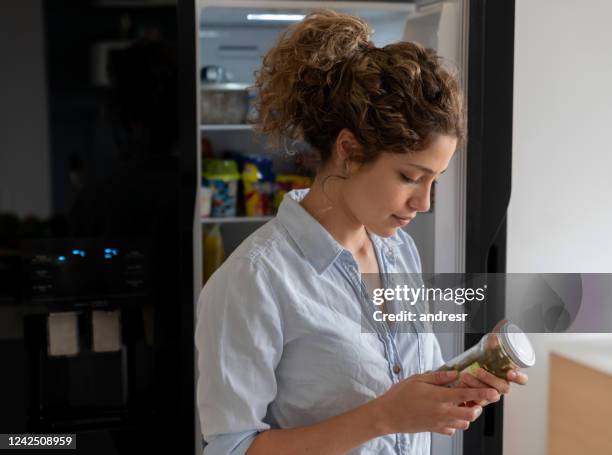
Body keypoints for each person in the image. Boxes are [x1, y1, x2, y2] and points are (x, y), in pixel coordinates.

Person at [195, 9, 527, 455]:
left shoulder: (397, 250)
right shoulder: (253, 280)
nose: (424, 203)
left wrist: (462, 379)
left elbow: (397, 388)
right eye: (410, 177)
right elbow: (230, 448)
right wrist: (385, 417)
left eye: (435, 180)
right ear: (349, 151)